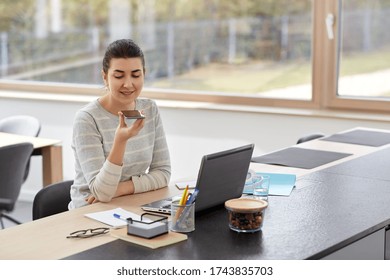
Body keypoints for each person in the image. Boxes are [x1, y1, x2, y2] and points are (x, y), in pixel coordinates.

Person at [69, 39, 171, 209]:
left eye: (136, 75)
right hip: (91, 210)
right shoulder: (87, 119)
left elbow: (163, 173)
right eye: (119, 76)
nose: (128, 84)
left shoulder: (149, 109)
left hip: (130, 204)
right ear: (105, 76)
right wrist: (120, 141)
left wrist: (120, 189)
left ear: (144, 74)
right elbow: (101, 193)